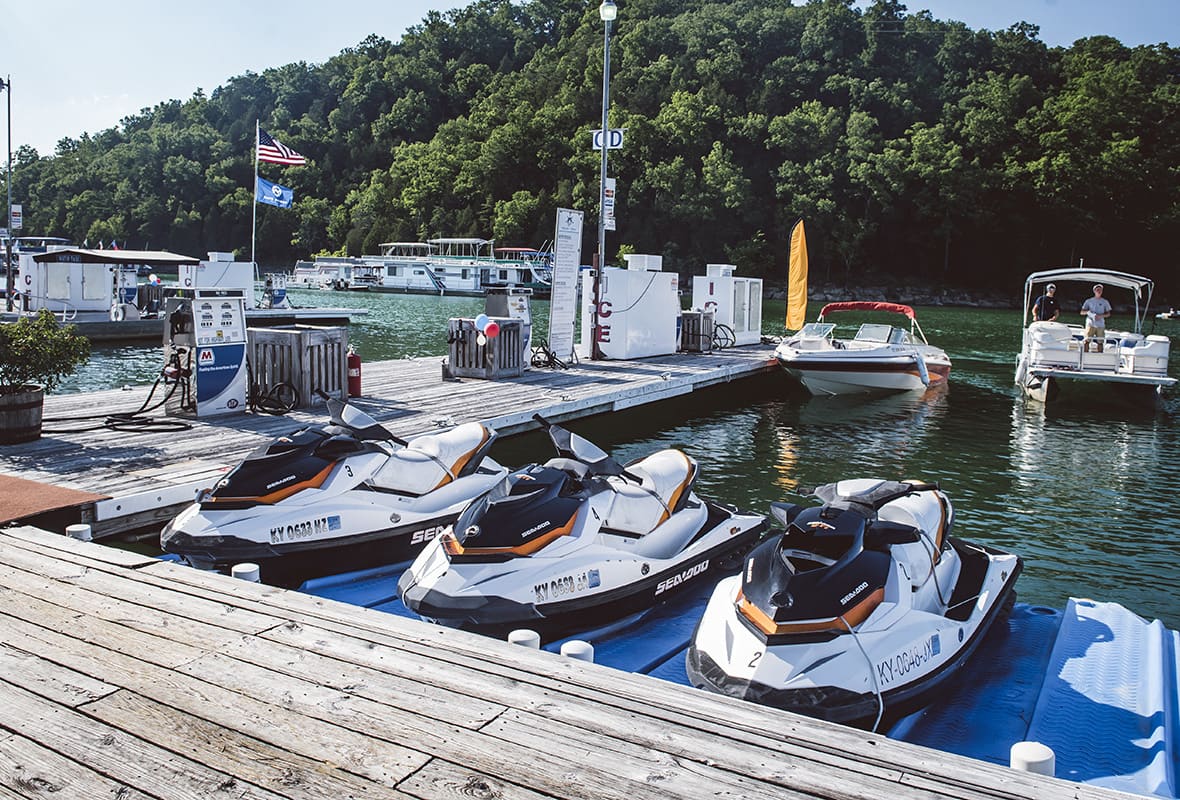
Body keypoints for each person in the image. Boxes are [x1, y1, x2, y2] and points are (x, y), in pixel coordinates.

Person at [1080, 283, 1111, 352]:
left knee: (1100, 342)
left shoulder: (1105, 301)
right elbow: (1082, 312)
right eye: (1097, 290)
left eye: (1100, 290)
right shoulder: (1089, 301)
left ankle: (1099, 357)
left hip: (1100, 324)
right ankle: (1085, 355)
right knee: (1086, 341)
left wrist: (1101, 316)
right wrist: (1089, 313)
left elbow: (1108, 314)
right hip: (1090, 323)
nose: (1099, 291)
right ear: (1094, 291)